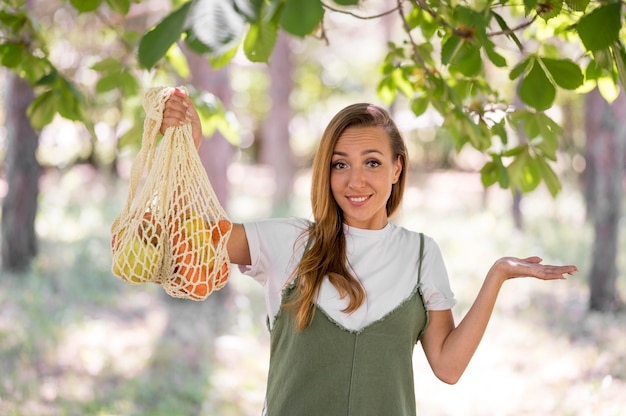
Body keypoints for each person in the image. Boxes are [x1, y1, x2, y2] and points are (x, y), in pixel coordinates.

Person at [159, 87, 578, 415]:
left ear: (397, 168)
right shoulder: (291, 242)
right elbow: (188, 239)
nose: (355, 180)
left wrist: (497, 275)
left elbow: (448, 367)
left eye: (372, 162)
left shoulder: (420, 254)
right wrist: (186, 149)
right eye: (340, 164)